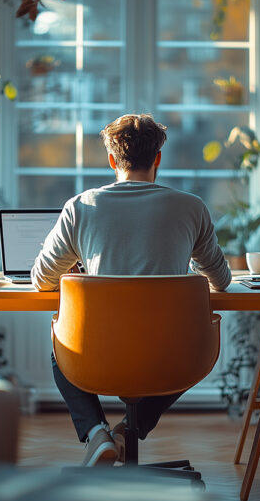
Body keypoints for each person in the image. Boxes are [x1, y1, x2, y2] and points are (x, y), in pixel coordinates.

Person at [31, 113, 231, 466]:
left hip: (97, 356)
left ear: (111, 160)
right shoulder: (192, 207)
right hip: (170, 358)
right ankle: (129, 430)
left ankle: (97, 434)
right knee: (195, 344)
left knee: (60, 346)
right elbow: (221, 280)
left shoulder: (80, 208)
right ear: (157, 158)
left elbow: (41, 280)